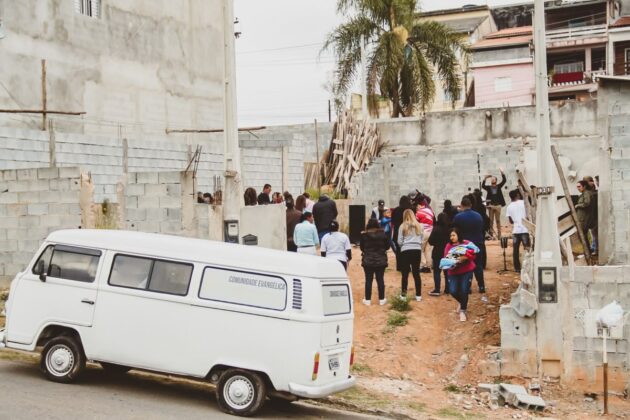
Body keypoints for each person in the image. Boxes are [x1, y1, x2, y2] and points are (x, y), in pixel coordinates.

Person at [453, 197, 487, 300]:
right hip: (478, 243)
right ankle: (481, 286)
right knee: (478, 265)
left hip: (465, 244)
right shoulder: (478, 216)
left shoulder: (458, 217)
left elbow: (455, 230)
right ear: (471, 205)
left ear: (461, 205)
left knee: (466, 266)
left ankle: (467, 288)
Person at [443, 228, 478, 322]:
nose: (452, 237)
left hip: (467, 271)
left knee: (464, 290)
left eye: (453, 235)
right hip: (453, 272)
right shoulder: (448, 246)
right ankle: (462, 302)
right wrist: (455, 260)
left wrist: (465, 257)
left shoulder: (466, 243)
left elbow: (474, 254)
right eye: (450, 236)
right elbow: (446, 258)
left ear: (458, 235)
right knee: (453, 291)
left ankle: (463, 310)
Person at [360, 218, 390, 306]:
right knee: (380, 279)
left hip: (368, 260)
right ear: (377, 224)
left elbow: (362, 248)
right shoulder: (383, 234)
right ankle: (381, 299)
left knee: (368, 280)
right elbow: (388, 246)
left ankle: (368, 300)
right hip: (381, 259)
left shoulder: (364, 235)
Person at [397, 209, 423, 301]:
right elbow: (421, 239)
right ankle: (418, 295)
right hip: (417, 250)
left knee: (405, 274)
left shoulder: (402, 226)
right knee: (416, 273)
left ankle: (403, 296)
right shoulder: (419, 226)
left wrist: (403, 245)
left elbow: (399, 241)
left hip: (406, 250)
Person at [506, 190, 530, 272]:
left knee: (515, 251)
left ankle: (517, 268)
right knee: (527, 249)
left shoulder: (509, 207)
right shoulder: (524, 203)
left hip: (515, 231)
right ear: (517, 195)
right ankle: (528, 266)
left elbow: (511, 221)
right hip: (525, 229)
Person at [428, 213, 451, 296]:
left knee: (437, 271)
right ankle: (448, 289)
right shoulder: (450, 229)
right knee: (447, 272)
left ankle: (437, 289)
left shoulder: (436, 228)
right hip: (448, 253)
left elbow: (430, 241)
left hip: (437, 252)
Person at [482, 168, 507, 240]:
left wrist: (502, 172)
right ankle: (491, 235)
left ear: (496, 180)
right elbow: (483, 186)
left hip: (498, 206)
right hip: (491, 206)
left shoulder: (499, 186)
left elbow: (504, 180)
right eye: (491, 179)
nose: (492, 180)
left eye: (493, 179)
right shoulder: (488, 187)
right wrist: (485, 178)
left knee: (498, 221)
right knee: (491, 221)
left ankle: (499, 236)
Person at [391, 195, 412, 273]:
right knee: (407, 250)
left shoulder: (396, 210)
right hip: (407, 231)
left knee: (399, 250)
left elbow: (392, 221)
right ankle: (407, 266)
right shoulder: (409, 210)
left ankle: (399, 266)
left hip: (397, 231)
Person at [575, 180, 596, 251]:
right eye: (577, 187)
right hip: (582, 218)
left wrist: (578, 205)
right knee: (582, 235)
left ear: (584, 186)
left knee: (582, 234)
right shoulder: (584, 193)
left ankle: (588, 250)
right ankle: (588, 250)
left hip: (584, 219)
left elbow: (587, 203)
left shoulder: (586, 193)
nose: (578, 188)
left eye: (579, 186)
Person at [415, 201, 434, 273]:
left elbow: (416, 223)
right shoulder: (430, 210)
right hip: (431, 231)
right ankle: (428, 266)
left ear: (421, 205)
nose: (417, 208)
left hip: (424, 232)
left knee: (420, 248)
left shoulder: (418, 213)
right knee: (428, 250)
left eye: (417, 206)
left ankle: (423, 265)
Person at [584, 176, 598, 254]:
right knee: (592, 233)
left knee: (594, 233)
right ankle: (593, 247)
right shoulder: (588, 192)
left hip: (594, 215)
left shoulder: (593, 192)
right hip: (590, 216)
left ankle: (595, 248)